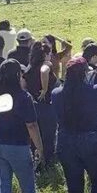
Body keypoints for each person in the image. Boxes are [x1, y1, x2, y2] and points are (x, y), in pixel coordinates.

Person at [0, 59, 47, 193]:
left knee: (3, 188)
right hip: (18, 147)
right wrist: (40, 148)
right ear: (17, 75)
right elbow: (32, 125)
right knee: (27, 187)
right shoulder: (23, 97)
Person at [52, 57, 97, 193]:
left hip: (66, 141)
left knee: (74, 186)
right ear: (85, 73)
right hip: (92, 140)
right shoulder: (96, 90)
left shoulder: (57, 93)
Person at [24, 41, 59, 169]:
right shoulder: (46, 64)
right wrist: (44, 89)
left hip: (33, 107)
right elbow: (44, 71)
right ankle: (48, 164)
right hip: (47, 107)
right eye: (49, 54)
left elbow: (23, 85)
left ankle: (37, 162)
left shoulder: (29, 68)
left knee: (35, 139)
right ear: (44, 55)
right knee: (48, 137)